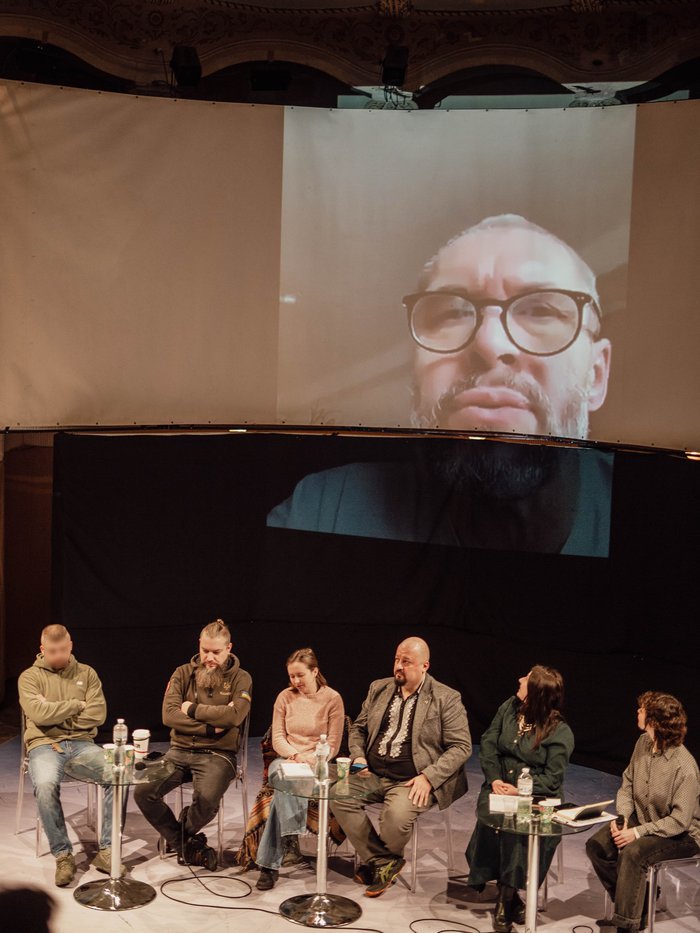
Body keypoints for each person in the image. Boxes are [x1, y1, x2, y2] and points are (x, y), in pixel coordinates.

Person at [269, 215, 613, 557]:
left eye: (540, 311)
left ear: (596, 376)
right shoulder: (323, 511)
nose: (490, 343)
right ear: (415, 377)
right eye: (452, 313)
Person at [330, 636, 471, 897]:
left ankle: (378, 863)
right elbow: (359, 728)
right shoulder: (379, 688)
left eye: (406, 661)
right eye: (396, 659)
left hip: (412, 780)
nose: (398, 666)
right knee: (338, 796)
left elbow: (461, 747)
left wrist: (428, 777)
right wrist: (358, 756)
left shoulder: (446, 697)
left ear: (424, 666)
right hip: (372, 773)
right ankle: (382, 862)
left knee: (394, 816)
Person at [134, 618, 252, 870]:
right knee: (143, 792)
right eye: (205, 650)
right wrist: (210, 726)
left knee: (207, 799)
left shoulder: (241, 678)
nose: (209, 658)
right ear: (199, 644)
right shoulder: (182, 673)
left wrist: (191, 709)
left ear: (229, 648)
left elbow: (234, 717)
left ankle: (178, 836)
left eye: (216, 652)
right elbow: (169, 716)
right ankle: (185, 844)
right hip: (179, 750)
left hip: (218, 754)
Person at [464, 665, 574, 933]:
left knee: (516, 830)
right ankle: (512, 898)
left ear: (534, 693)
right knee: (492, 822)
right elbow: (488, 742)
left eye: (527, 679)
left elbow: (552, 780)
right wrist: (495, 779)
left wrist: (520, 789)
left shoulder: (560, 732)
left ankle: (504, 900)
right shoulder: (509, 708)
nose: (520, 679)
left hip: (537, 798)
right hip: (499, 787)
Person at [586, 691, 700, 933]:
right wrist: (624, 818)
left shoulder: (684, 767)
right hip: (643, 818)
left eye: (642, 709)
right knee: (597, 846)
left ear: (654, 721)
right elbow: (627, 783)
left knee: (633, 853)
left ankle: (627, 926)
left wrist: (637, 833)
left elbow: (680, 821)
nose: (637, 711)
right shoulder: (642, 743)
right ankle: (642, 900)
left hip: (682, 834)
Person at [17, 624, 120, 887]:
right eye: (52, 651)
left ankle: (108, 850)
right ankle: (63, 855)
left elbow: (97, 715)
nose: (58, 655)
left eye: (63, 649)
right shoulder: (29, 677)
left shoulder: (87, 673)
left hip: (82, 743)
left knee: (117, 773)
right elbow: (38, 714)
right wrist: (76, 705)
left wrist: (53, 714)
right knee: (45, 784)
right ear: (42, 649)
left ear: (71, 645)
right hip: (44, 744)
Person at [252, 647, 345, 890]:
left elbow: (333, 743)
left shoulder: (332, 699)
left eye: (300, 675)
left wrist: (311, 759)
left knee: (282, 794)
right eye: (291, 676)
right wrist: (295, 755)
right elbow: (278, 738)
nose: (295, 681)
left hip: (318, 764)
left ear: (314, 672)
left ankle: (270, 865)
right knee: (284, 777)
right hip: (286, 761)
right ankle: (289, 837)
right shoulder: (285, 697)